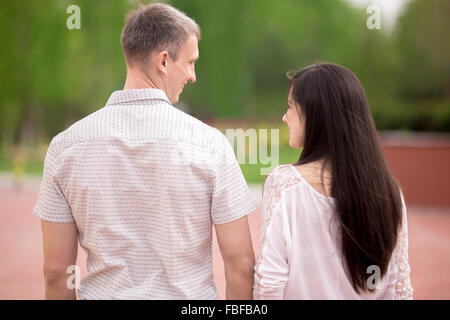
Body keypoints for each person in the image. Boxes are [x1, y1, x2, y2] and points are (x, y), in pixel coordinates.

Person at [33, 3, 255, 300]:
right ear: (164, 62)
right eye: (190, 62)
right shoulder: (210, 145)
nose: (193, 76)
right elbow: (240, 264)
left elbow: (56, 273)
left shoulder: (65, 147)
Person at [253, 63, 413, 299]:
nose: (285, 117)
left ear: (315, 116)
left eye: (291, 107)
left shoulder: (284, 184)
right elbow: (397, 289)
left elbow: (269, 284)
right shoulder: (389, 192)